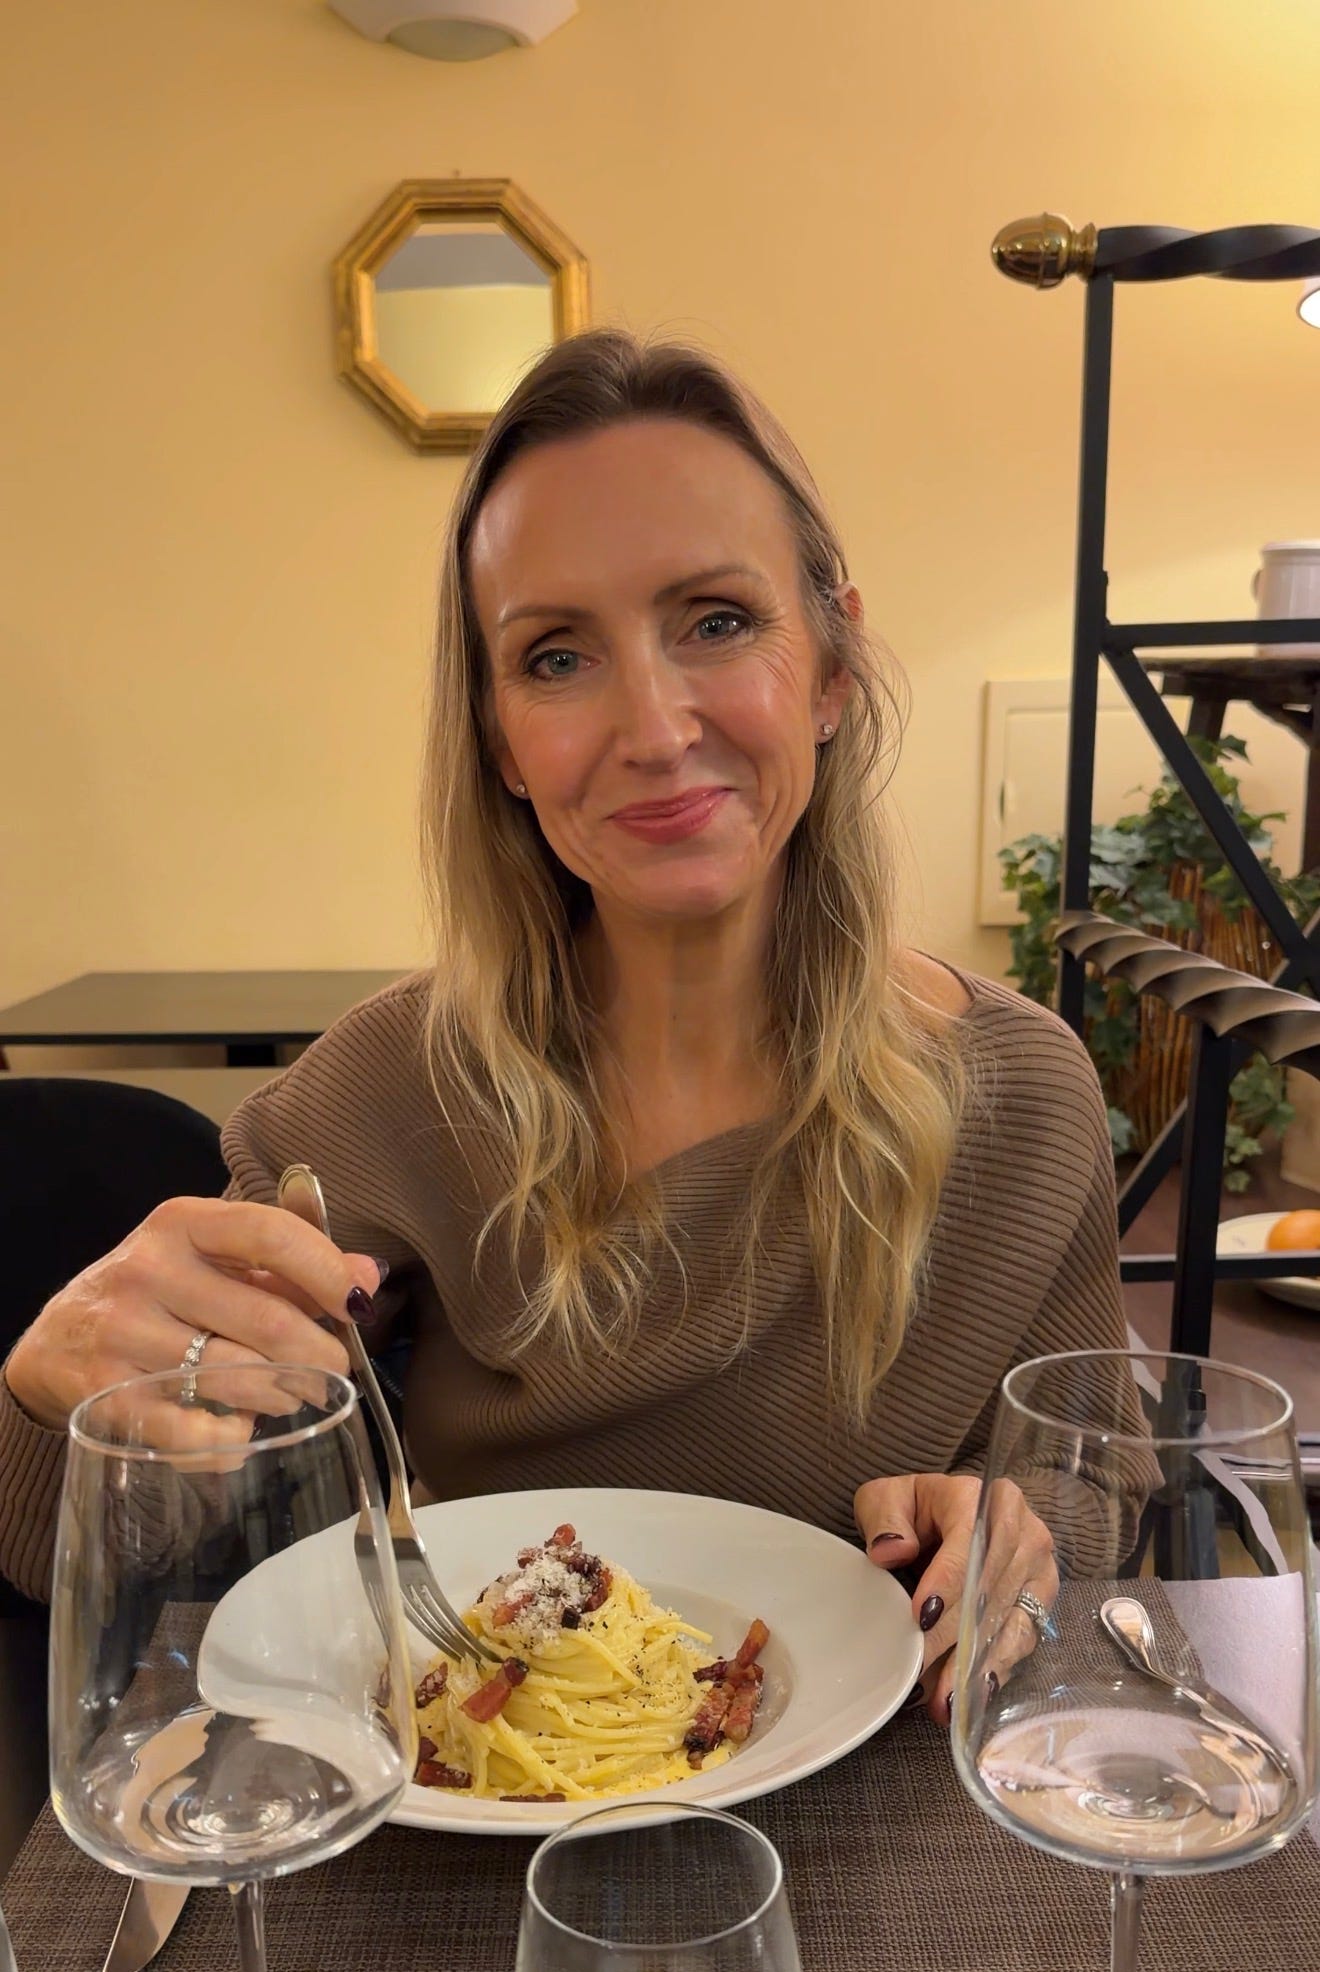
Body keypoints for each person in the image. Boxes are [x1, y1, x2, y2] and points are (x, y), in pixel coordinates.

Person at [0, 329, 1124, 1716]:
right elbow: (122, 1553)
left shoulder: (1025, 1094)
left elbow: (1094, 1471)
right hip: (477, 1794)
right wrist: (64, 1405)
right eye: (556, 657)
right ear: (500, 742)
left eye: (718, 622)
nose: (652, 728)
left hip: (885, 1787)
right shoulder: (384, 1089)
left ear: (832, 669)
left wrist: (1018, 1525)